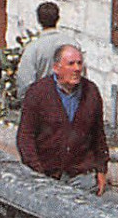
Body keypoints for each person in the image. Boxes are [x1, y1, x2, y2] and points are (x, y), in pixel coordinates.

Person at [17, 43, 109, 195]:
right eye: (71, 64)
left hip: (80, 173)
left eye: (79, 63)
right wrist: (37, 172)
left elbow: (98, 133)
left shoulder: (91, 92)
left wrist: (101, 170)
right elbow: (25, 137)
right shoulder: (38, 93)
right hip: (47, 173)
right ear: (56, 68)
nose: (77, 68)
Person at [15, 1, 64, 97]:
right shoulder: (73, 45)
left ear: (38, 20)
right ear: (58, 18)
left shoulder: (33, 48)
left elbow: (25, 82)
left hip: (43, 103)